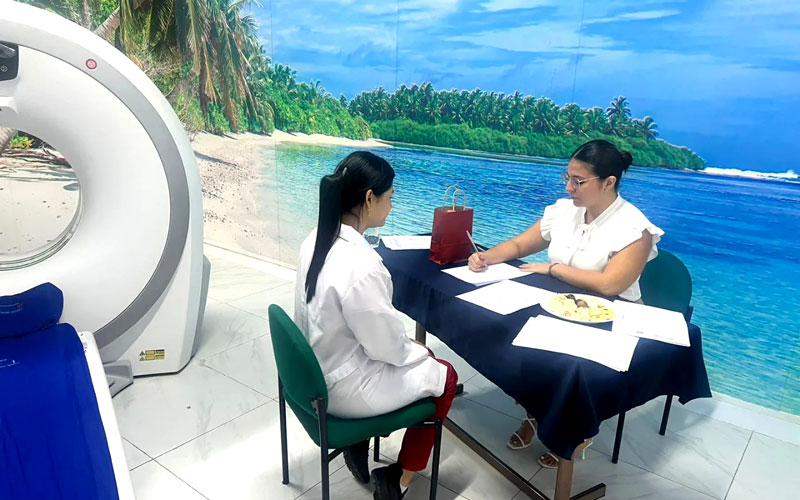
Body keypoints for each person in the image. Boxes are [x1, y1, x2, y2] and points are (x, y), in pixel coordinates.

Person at [468, 139, 663, 468]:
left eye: (578, 181)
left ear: (608, 183)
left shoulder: (635, 229)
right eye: (567, 178)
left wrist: (553, 269)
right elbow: (520, 244)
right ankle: (535, 413)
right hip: (564, 304)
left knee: (568, 367)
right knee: (520, 341)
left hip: (612, 316)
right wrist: (486, 257)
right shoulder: (564, 211)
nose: (569, 187)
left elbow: (611, 284)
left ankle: (575, 432)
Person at [295, 151, 459, 500]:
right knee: (445, 376)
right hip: (342, 388)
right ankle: (398, 480)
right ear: (370, 198)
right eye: (390, 197)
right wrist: (418, 352)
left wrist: (412, 351)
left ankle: (358, 443)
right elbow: (387, 349)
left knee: (422, 359)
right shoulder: (362, 265)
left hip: (315, 372)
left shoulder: (316, 238)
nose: (392, 206)